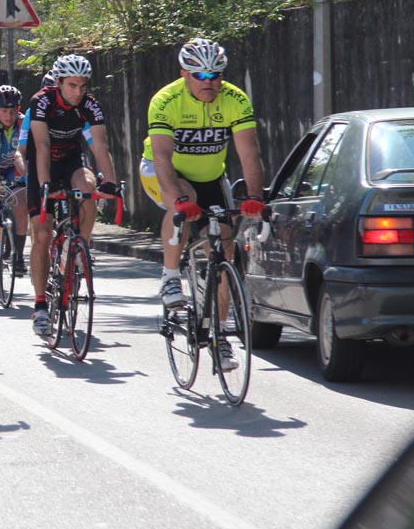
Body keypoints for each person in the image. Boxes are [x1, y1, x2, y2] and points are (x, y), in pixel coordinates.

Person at [141, 38, 265, 369]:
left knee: (223, 250)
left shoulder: (235, 100)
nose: (208, 81)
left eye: (215, 74)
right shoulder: (166, 101)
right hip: (162, 172)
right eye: (199, 75)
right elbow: (163, 157)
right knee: (183, 201)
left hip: (211, 176)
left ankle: (219, 336)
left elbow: (249, 154)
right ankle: (169, 275)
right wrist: (178, 199)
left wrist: (255, 196)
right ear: (184, 73)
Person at [25, 54, 119, 338]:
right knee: (42, 234)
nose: (78, 92)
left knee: (88, 187)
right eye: (72, 85)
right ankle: (41, 305)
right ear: (58, 83)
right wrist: (44, 185)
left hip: (70, 161)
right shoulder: (41, 101)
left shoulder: (90, 104)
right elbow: (41, 145)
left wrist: (111, 182)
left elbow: (100, 147)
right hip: (42, 165)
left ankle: (78, 249)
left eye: (82, 85)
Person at [0, 84, 28, 272]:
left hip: (15, 169)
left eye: (13, 110)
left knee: (21, 205)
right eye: (4, 111)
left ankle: (18, 255)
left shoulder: (24, 125)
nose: (9, 115)